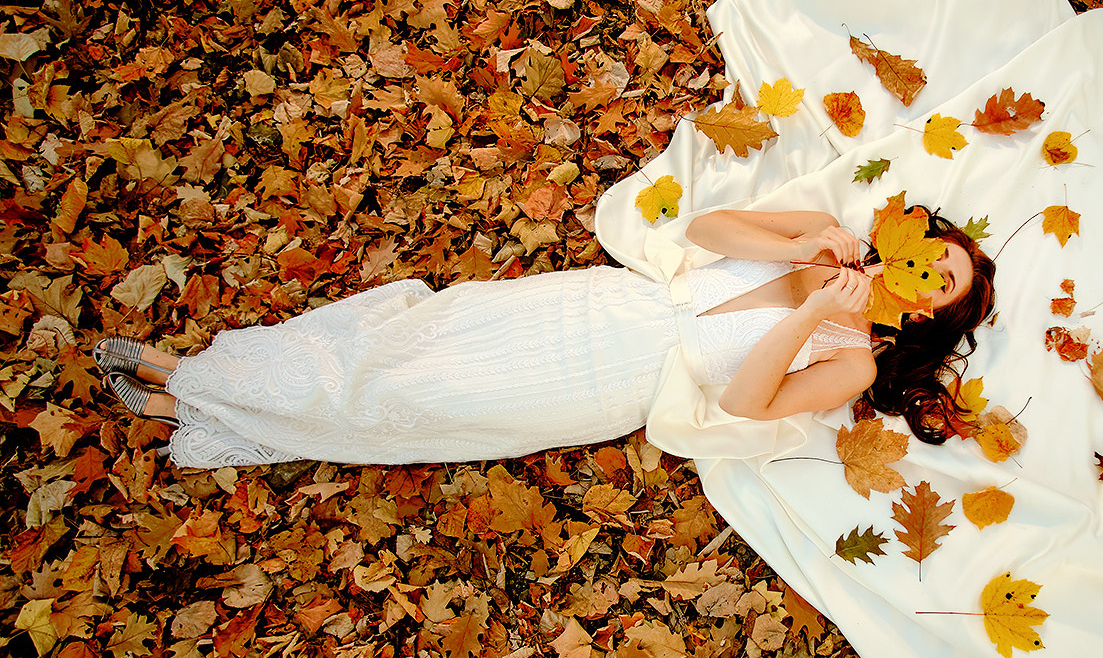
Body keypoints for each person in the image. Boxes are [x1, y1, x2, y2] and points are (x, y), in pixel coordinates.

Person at [93, 207, 996, 469]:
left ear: (927, 313)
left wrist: (806, 312)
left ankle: (198, 391)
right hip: (604, 306)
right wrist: (797, 249)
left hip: (617, 380)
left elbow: (742, 400)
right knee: (419, 336)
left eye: (942, 284)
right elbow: (709, 234)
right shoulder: (825, 230)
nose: (925, 272)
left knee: (421, 398)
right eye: (935, 254)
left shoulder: (850, 361)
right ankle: (212, 377)